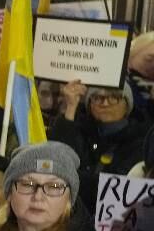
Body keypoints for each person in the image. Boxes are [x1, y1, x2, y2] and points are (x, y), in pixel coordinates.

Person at [50, 79, 150, 209]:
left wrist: (69, 177)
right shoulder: (81, 130)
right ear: (89, 105)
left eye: (114, 97)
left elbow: (114, 188)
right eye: (97, 97)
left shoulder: (141, 141)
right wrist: (71, 106)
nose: (105, 103)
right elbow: (56, 160)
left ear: (127, 105)